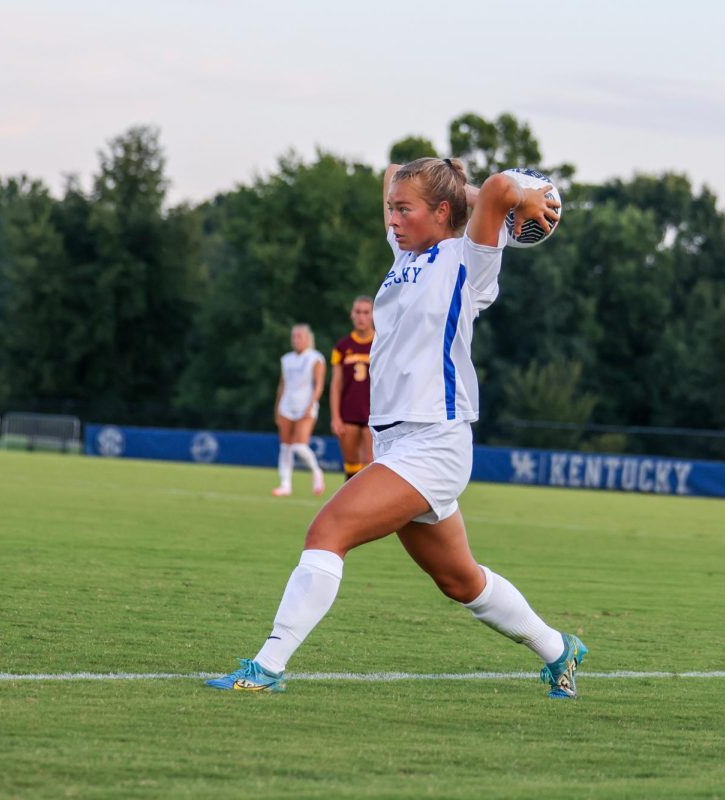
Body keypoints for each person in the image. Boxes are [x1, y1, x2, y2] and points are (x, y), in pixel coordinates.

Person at [208, 157, 587, 699]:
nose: (392, 219)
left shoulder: (469, 259)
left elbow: (503, 188)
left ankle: (266, 668)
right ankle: (558, 650)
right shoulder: (408, 252)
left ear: (442, 211)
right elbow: (392, 171)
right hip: (398, 440)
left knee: (327, 532)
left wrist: (510, 198)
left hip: (433, 440)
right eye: (391, 210)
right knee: (461, 580)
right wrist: (452, 184)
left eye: (404, 210)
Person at [273, 324, 326, 497]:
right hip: (287, 406)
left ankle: (317, 471)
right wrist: (277, 408)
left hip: (305, 406)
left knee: (298, 446)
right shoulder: (286, 359)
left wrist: (311, 404)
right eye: (294, 336)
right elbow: (282, 385)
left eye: (300, 336)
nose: (296, 340)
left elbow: (318, 384)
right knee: (285, 447)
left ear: (307, 338)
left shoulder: (315, 358)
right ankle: (285, 484)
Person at [329, 296, 375, 481]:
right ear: (352, 315)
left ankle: (371, 506)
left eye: (366, 312)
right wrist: (335, 417)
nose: (361, 317)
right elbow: (336, 385)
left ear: (373, 315)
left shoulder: (381, 343)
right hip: (349, 413)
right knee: (351, 462)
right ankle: (352, 506)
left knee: (371, 461)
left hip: (374, 414)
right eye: (358, 312)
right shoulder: (342, 347)